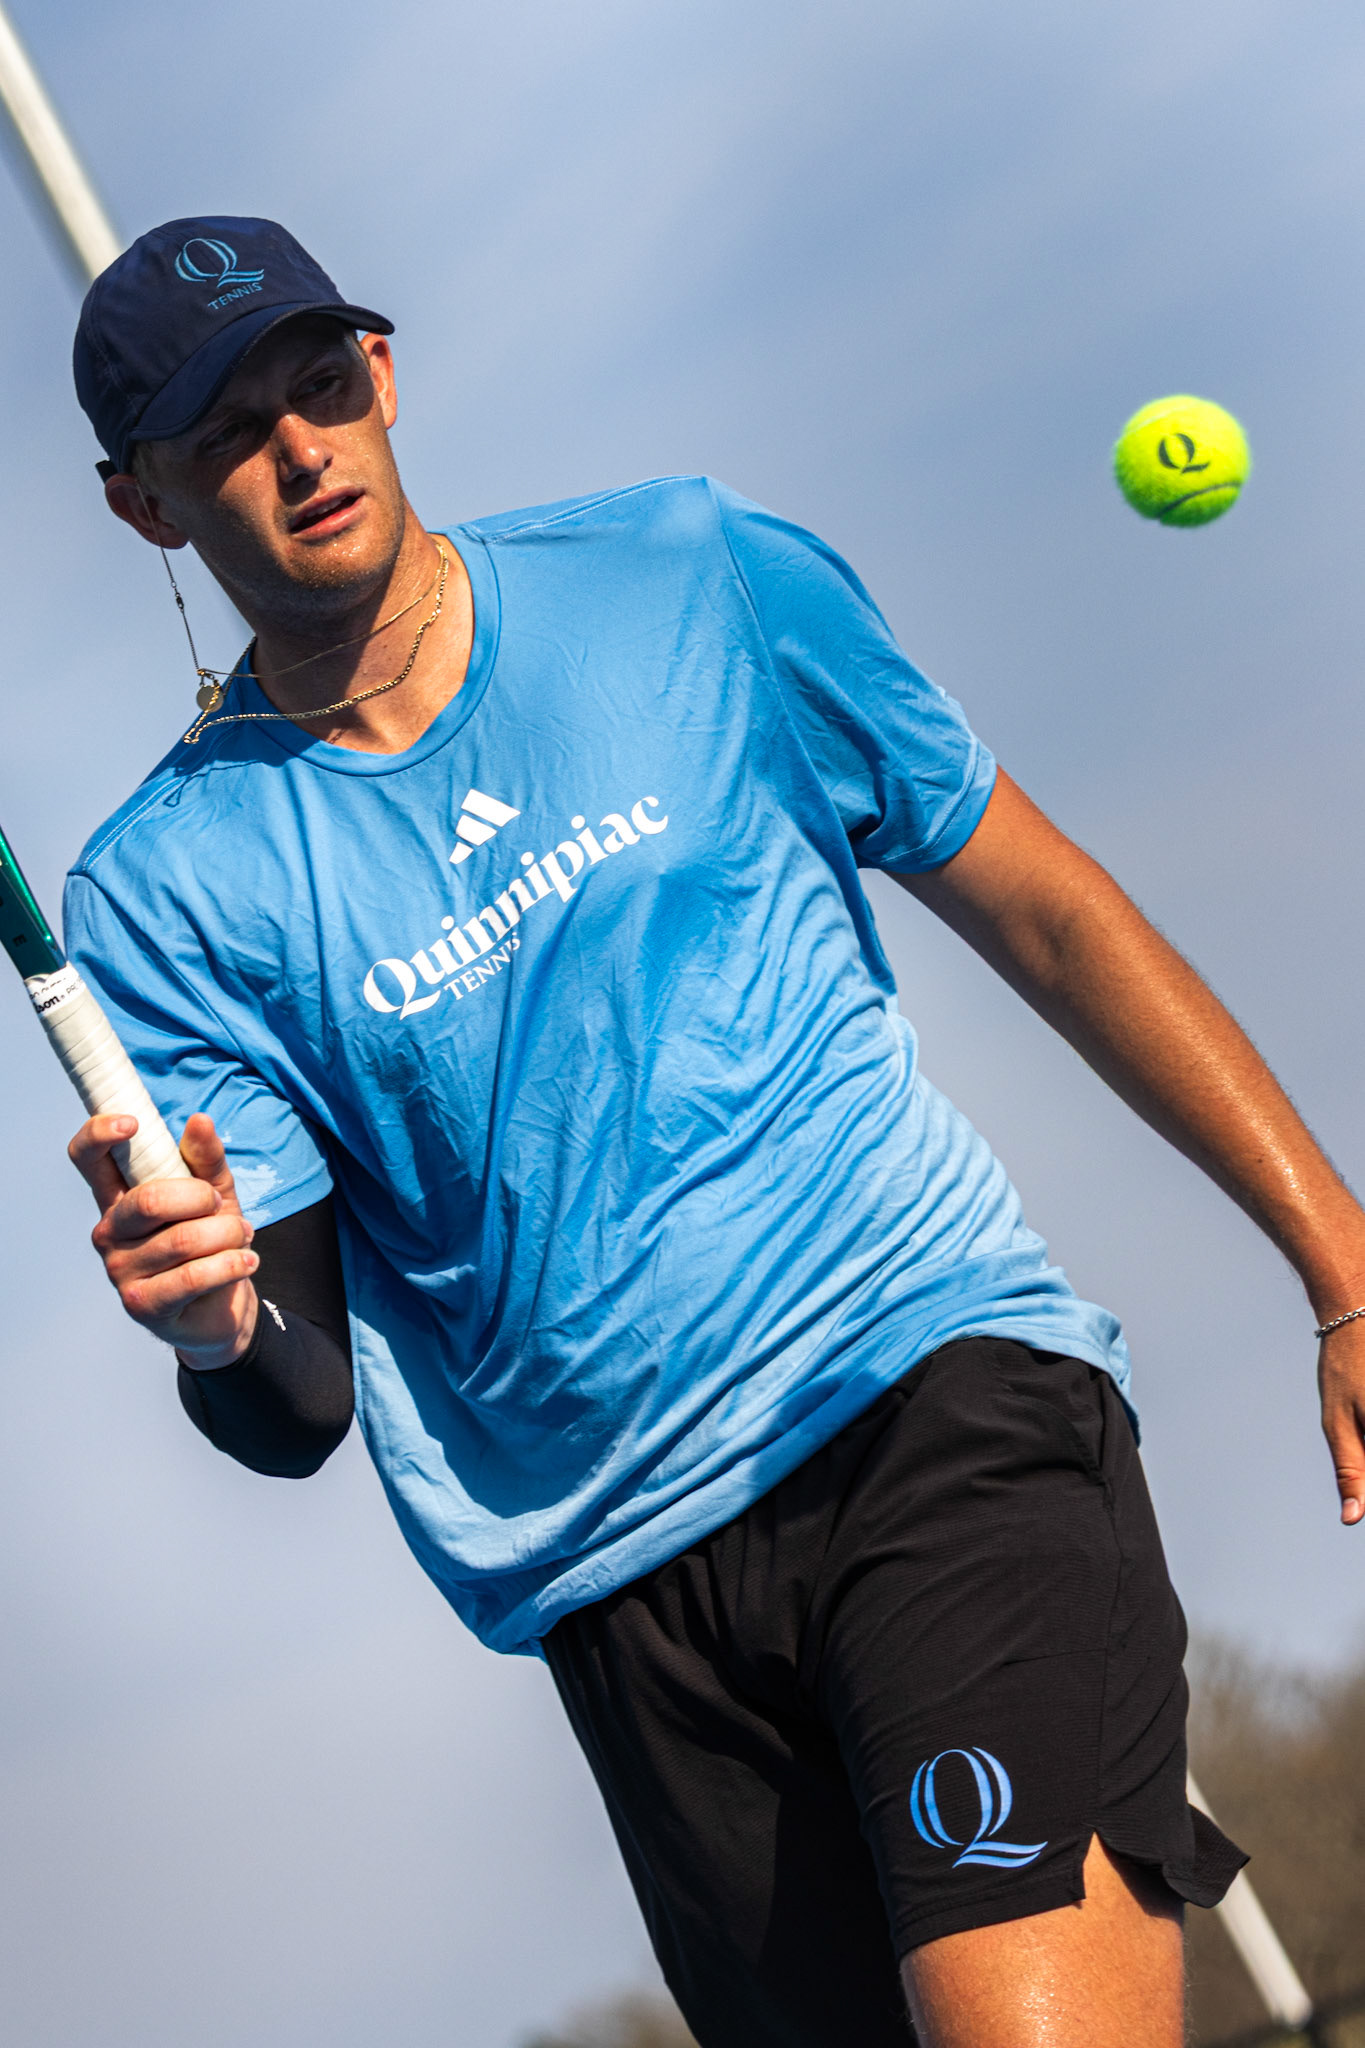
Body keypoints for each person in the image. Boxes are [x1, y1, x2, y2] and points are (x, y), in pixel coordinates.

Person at [63, 216, 1365, 2048]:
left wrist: (1339, 1263)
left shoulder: (689, 572)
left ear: (384, 375)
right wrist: (209, 1323)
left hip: (927, 1404)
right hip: (623, 1595)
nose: (302, 448)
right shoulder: (159, 892)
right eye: (228, 430)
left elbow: (1047, 915)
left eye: (323, 382)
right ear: (145, 507)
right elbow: (292, 1402)